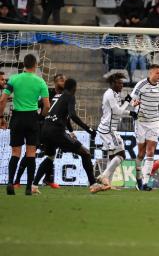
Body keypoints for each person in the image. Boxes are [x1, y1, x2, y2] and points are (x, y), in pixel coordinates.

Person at [33, 78, 106, 194]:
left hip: (45, 129)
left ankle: (34, 185)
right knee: (86, 153)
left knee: (50, 157)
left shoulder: (58, 96)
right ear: (74, 88)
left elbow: (52, 111)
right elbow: (72, 115)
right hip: (56, 131)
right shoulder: (70, 96)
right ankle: (93, 184)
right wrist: (89, 129)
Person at [0, 54, 50, 195]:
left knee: (15, 152)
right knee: (31, 153)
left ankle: (10, 183)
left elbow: (3, 99)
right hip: (32, 118)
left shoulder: (14, 79)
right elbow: (46, 105)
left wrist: (1, 117)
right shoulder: (40, 82)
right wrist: (40, 118)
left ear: (23, 64)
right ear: (36, 65)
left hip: (17, 118)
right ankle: (29, 187)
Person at [14, 73, 66, 189]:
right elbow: (37, 105)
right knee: (30, 153)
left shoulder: (65, 96)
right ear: (55, 82)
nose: (63, 82)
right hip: (41, 128)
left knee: (51, 154)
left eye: (64, 80)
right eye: (60, 80)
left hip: (54, 129)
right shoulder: (48, 93)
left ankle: (48, 179)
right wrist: (39, 119)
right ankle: (17, 180)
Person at [96, 73, 139, 187]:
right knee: (121, 154)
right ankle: (104, 176)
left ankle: (107, 184)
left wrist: (129, 108)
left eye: (122, 83)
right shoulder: (109, 94)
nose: (122, 85)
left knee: (112, 155)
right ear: (113, 83)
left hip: (109, 129)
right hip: (108, 129)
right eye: (119, 83)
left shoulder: (115, 94)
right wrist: (128, 103)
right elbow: (118, 112)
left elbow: (118, 110)